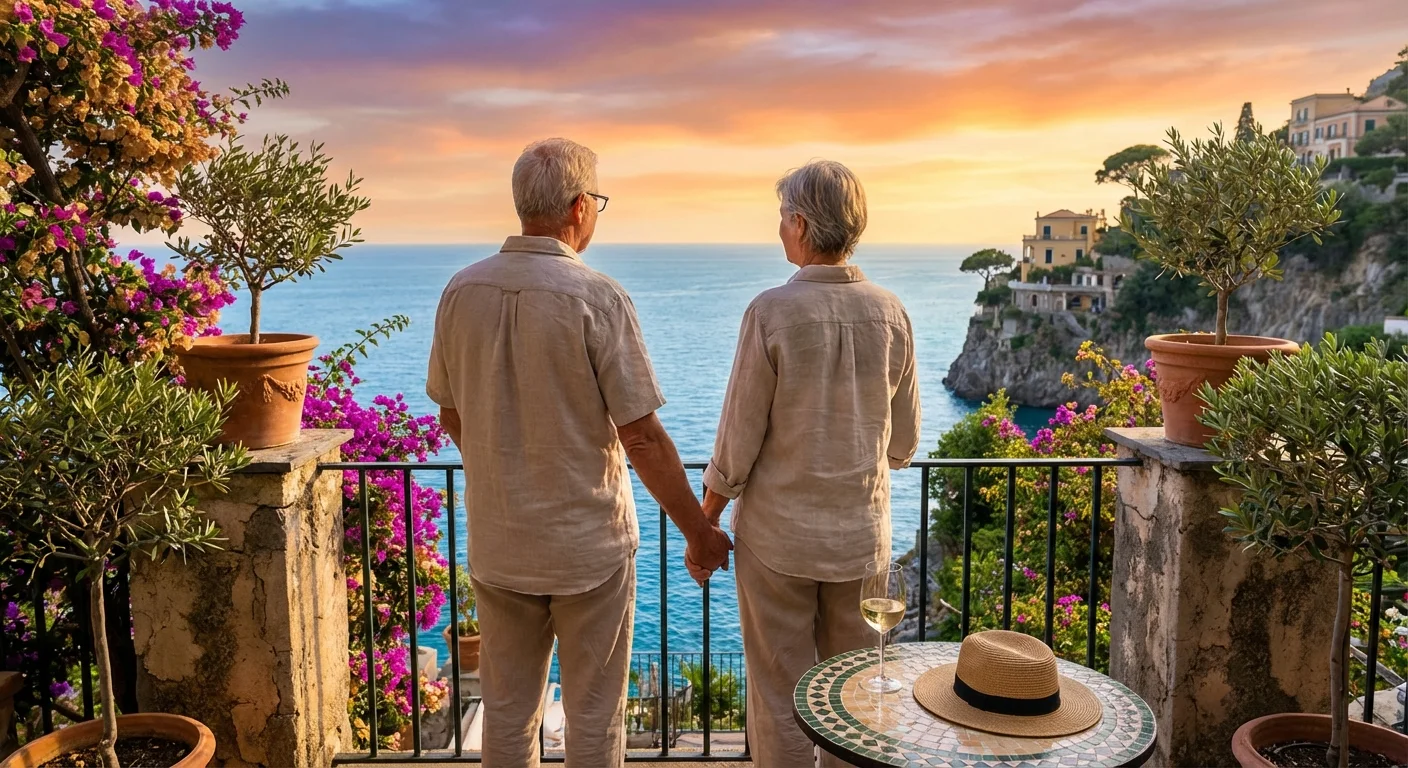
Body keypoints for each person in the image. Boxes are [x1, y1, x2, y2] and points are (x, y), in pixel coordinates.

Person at [427, 137, 733, 767]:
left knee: (508, 715)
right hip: (586, 547)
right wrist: (698, 531)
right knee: (596, 717)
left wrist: (501, 466)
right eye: (597, 200)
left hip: (500, 540)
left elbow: (450, 412)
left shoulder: (461, 291)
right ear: (577, 207)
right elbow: (641, 436)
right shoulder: (597, 297)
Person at [690, 160, 921, 767]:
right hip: (860, 543)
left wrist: (705, 522)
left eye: (781, 217)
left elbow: (736, 443)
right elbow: (902, 445)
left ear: (798, 223)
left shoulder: (771, 313)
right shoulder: (891, 313)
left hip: (778, 545)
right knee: (854, 700)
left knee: (779, 698)